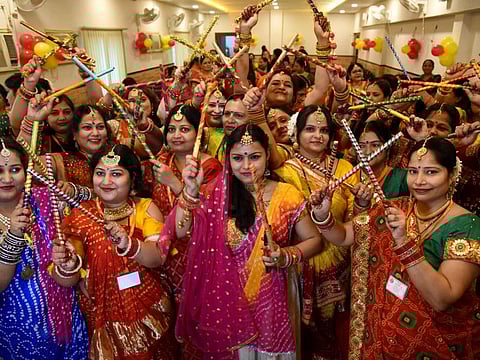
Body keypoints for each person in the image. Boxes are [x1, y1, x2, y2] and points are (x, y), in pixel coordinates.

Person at [161, 124, 324, 358]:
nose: (246, 166)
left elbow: (314, 241)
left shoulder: (287, 195)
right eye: (238, 158)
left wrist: (286, 256)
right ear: (228, 160)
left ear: (268, 156)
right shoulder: (214, 194)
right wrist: (190, 191)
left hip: (273, 299)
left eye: (255, 157)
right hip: (228, 300)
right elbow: (180, 228)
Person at [310, 136, 480, 359]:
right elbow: (344, 237)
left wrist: (403, 240)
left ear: (451, 175)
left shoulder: (467, 226)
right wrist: (323, 216)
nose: (419, 180)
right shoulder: (395, 207)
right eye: (413, 171)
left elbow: (442, 298)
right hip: (381, 338)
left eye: (431, 172)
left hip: (438, 343)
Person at [57, 144, 178, 359]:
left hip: (150, 311)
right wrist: (66, 265)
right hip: (101, 316)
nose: (106, 181)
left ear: (132, 180)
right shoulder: (80, 215)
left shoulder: (145, 207)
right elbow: (68, 278)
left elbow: (157, 256)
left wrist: (128, 244)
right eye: (100, 173)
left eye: (116, 174)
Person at [274, 105, 357, 359]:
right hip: (301, 261)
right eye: (309, 129)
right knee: (303, 330)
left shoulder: (345, 167)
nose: (317, 136)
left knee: (337, 326)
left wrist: (363, 203)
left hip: (341, 257)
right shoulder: (285, 171)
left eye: (323, 130)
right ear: (296, 134)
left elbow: (356, 214)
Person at [0, 136, 88, 359]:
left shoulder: (46, 200)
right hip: (16, 327)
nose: (7, 178)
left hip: (65, 321)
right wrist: (13, 236)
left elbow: (96, 199)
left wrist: (68, 265)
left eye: (15, 169)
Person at [150, 104, 222, 217]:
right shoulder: (163, 161)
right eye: (171, 129)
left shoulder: (211, 167)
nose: (176, 135)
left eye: (184, 129)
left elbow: (207, 213)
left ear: (198, 134)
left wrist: (173, 182)